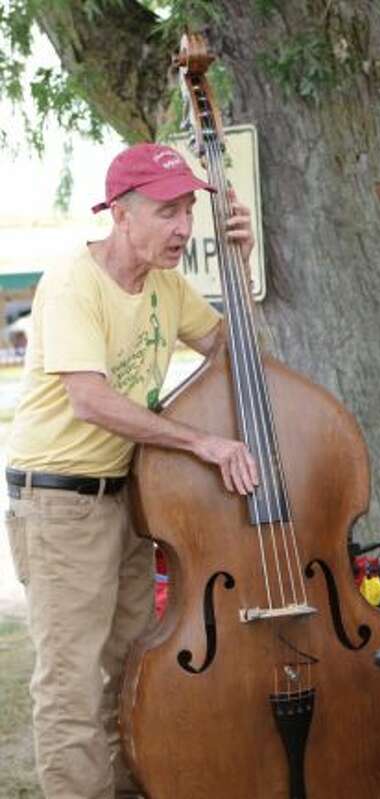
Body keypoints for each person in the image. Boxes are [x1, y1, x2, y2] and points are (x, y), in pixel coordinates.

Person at [4, 142, 259, 799]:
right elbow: (89, 399)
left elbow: (238, 350)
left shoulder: (168, 285)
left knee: (132, 668)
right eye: (167, 212)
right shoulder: (72, 281)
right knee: (73, 682)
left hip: (131, 500)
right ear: (121, 214)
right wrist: (200, 442)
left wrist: (241, 263)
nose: (183, 228)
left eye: (188, 212)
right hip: (62, 503)